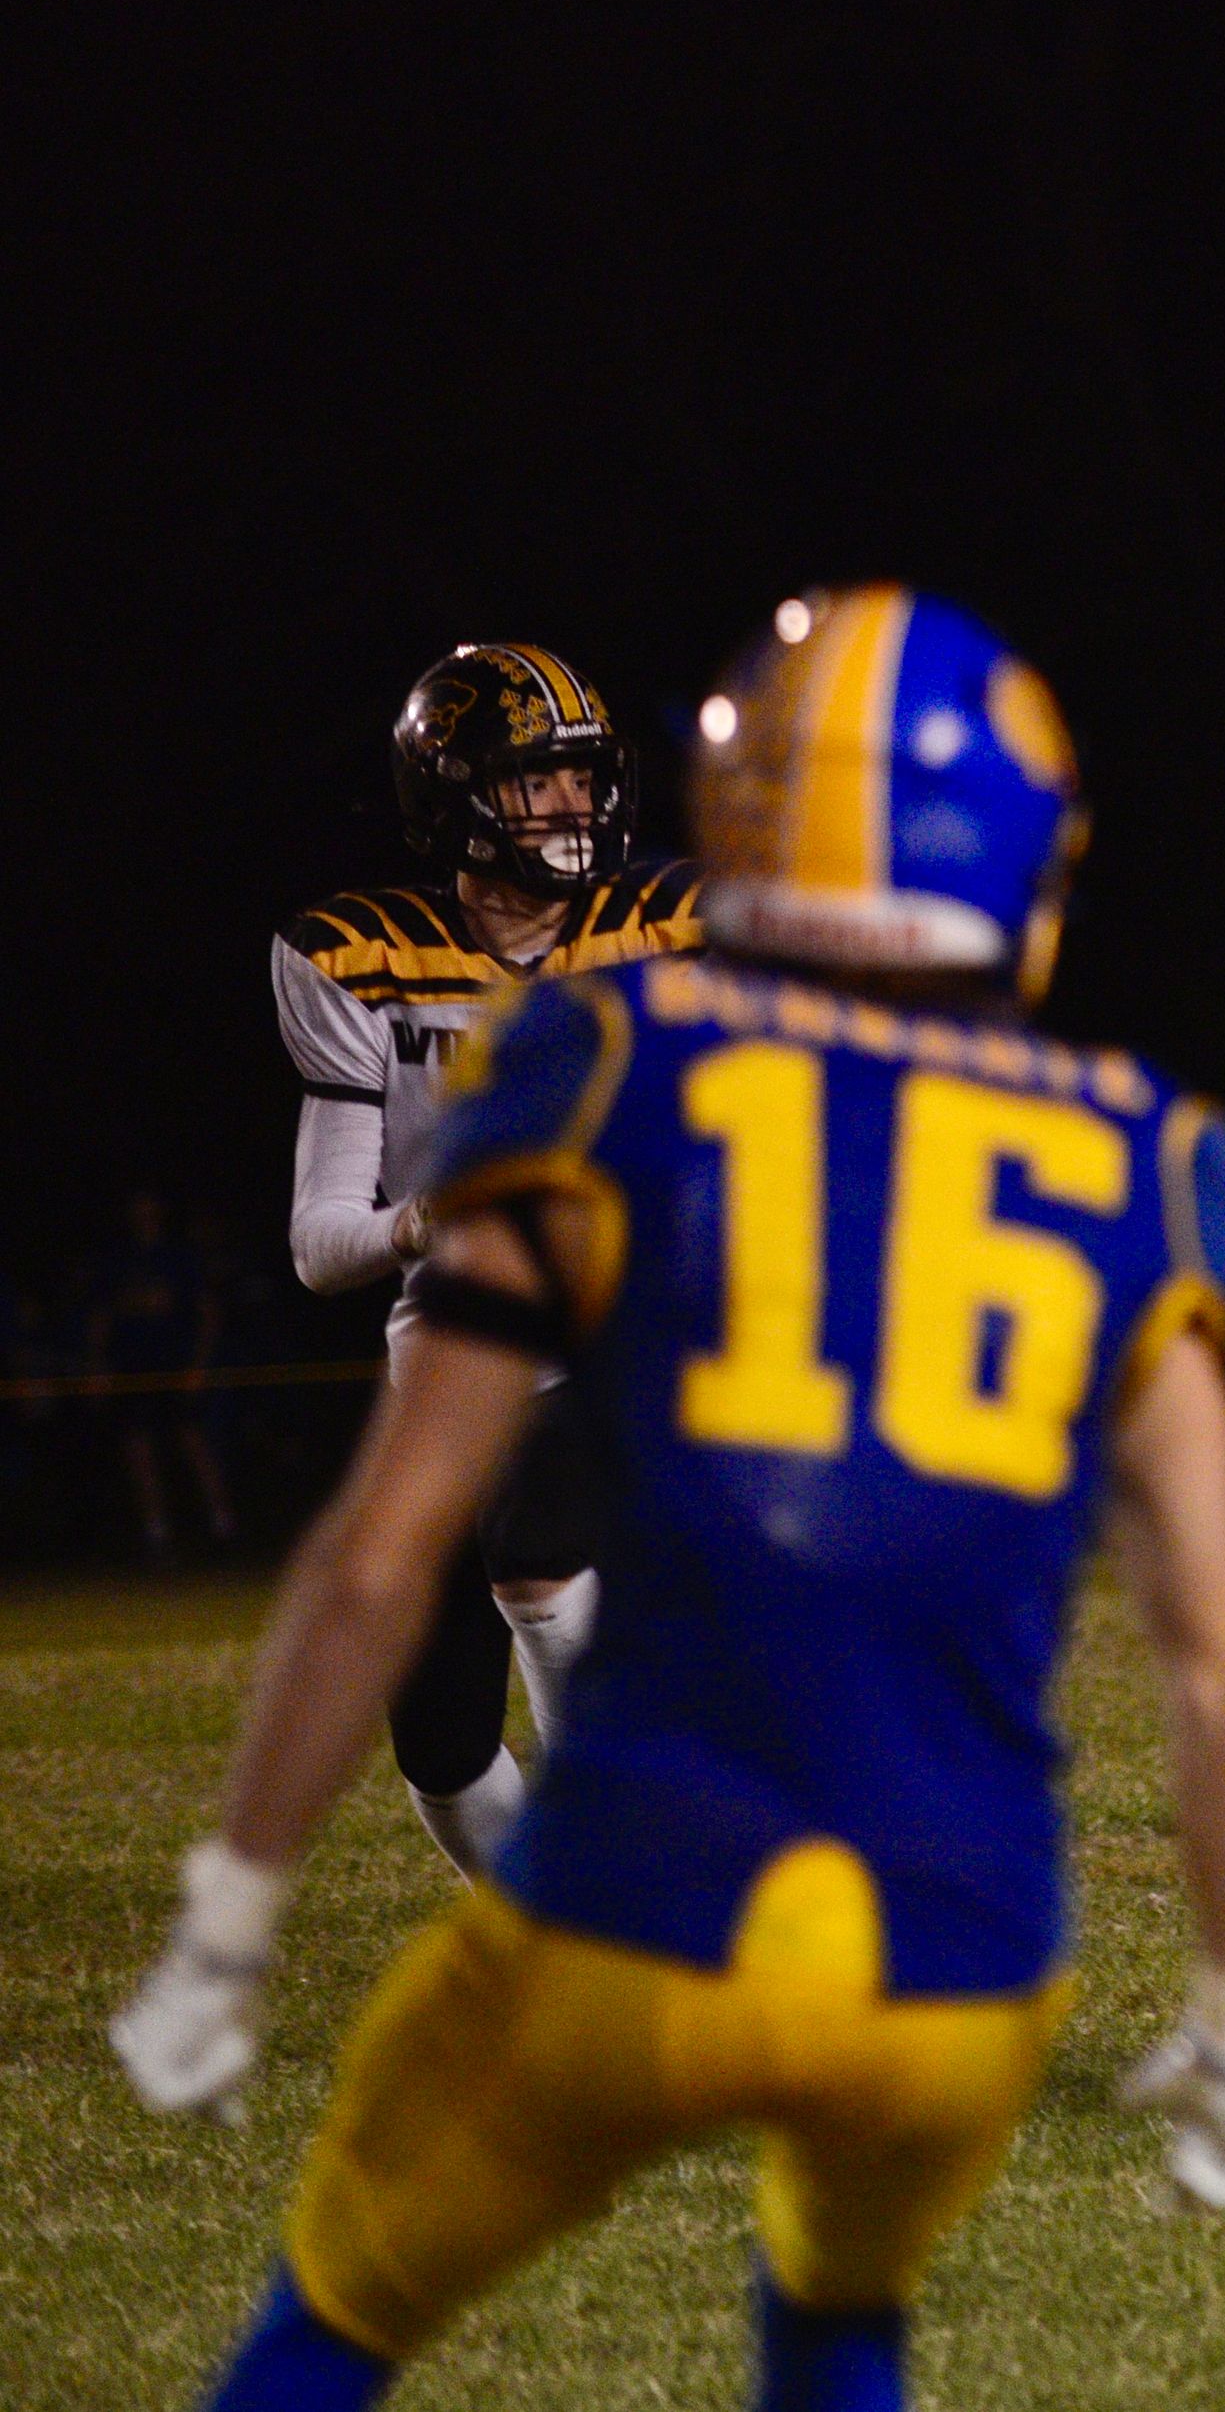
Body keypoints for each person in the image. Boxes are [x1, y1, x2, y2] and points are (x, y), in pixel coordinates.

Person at [113, 586, 1225, 2411]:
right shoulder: (1147, 1154)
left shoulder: (601, 1070)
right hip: (959, 1953)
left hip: (644, 1908)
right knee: (839, 2320)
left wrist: (226, 1921)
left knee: (331, 2328)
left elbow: (373, 1559)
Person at [272, 644, 701, 1875]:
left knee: (537, 1548)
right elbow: (318, 1244)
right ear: (455, 794)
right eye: (536, 780)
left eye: (583, 776)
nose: (574, 805)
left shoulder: (672, 930)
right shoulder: (357, 960)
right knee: (444, 1745)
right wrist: (426, 1220)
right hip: (456, 1361)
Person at [91, 1188, 242, 1559]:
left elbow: (209, 1313)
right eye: (137, 1203)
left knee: (194, 1443)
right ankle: (156, 1532)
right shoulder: (117, 1259)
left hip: (175, 1364)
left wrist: (198, 1366)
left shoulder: (181, 1256)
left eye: (150, 1201)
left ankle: (223, 1523)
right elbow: (101, 1317)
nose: (144, 1209)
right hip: (131, 1366)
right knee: (139, 1450)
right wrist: (97, 1366)